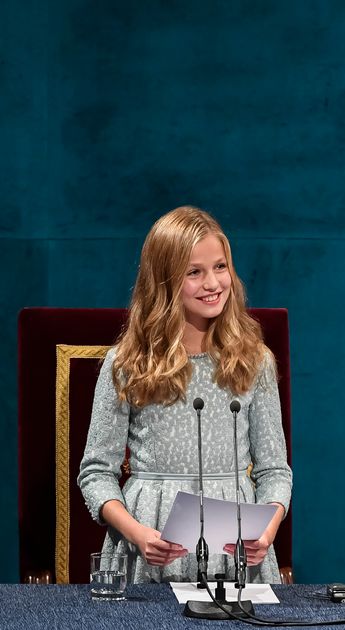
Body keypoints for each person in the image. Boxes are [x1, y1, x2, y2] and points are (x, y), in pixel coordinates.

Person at [78, 206, 292, 584]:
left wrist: (268, 528)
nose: (213, 283)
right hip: (152, 548)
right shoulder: (127, 363)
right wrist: (136, 532)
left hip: (234, 554)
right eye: (194, 272)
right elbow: (96, 473)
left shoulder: (254, 361)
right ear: (163, 281)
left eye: (220, 267)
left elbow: (274, 470)